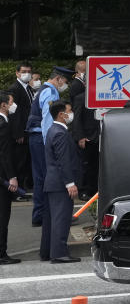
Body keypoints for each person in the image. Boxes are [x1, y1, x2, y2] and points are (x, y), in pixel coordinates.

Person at [25, 66, 73, 227]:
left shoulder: (43, 90)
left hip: (36, 137)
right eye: (65, 81)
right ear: (58, 78)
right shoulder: (50, 92)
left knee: (40, 177)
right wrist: (50, 146)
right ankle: (46, 214)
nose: (64, 84)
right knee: (47, 178)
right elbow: (47, 122)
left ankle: (41, 214)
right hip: (41, 138)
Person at [41, 100, 83, 263]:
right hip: (60, 183)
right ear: (61, 114)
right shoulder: (60, 133)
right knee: (61, 218)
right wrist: (70, 183)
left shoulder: (52, 130)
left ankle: (47, 252)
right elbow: (63, 161)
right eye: (69, 111)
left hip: (52, 182)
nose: (71, 113)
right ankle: (59, 253)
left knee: (51, 219)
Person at [68, 60, 99, 197]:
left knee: (97, 165)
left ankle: (96, 189)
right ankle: (85, 190)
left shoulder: (102, 97)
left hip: (101, 136)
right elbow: (77, 118)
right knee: (86, 166)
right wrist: (80, 136)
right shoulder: (81, 98)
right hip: (87, 137)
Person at [0, 91, 21, 265]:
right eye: (11, 102)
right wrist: (12, 177)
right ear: (3, 105)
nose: (13, 106)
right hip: (2, 179)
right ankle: (1, 253)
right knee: (2, 216)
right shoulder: (3, 125)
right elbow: (4, 154)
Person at [7, 61, 34, 196]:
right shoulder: (15, 88)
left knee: (25, 161)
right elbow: (14, 113)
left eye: (29, 71)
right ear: (17, 73)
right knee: (18, 161)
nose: (27, 74)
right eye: (23, 71)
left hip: (27, 130)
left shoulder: (28, 88)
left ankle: (23, 187)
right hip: (20, 132)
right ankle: (16, 191)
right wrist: (18, 133)